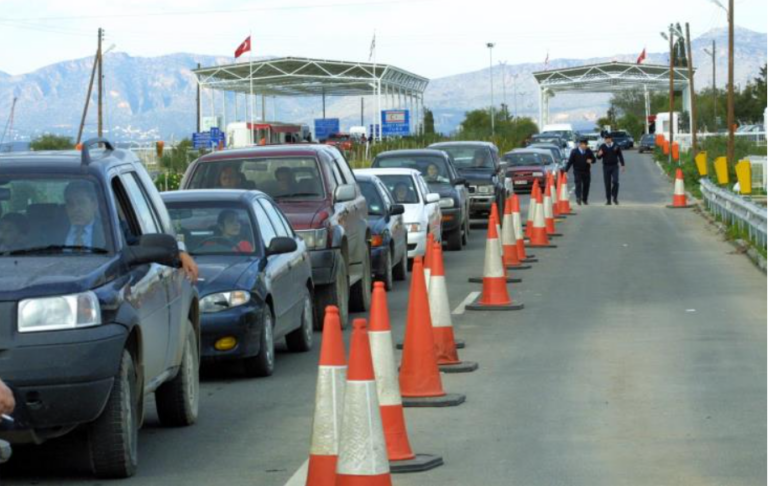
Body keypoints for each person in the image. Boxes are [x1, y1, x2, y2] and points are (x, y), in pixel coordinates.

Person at [61, 181, 199, 282]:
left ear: (94, 205)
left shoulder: (115, 231)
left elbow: (141, 245)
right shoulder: (47, 232)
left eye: (81, 203)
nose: (76, 209)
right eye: (70, 204)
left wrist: (179, 254)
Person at [596, 133, 626, 205]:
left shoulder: (616, 146)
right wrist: (598, 154)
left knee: (615, 181)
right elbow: (598, 157)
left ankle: (615, 197)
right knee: (607, 184)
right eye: (605, 139)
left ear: (611, 139)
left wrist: (623, 165)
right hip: (606, 167)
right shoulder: (602, 146)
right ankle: (608, 200)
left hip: (614, 166)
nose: (607, 140)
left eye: (608, 138)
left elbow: (620, 155)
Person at [564, 139, 596, 205]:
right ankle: (578, 197)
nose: (585, 146)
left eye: (586, 145)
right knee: (578, 184)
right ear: (580, 144)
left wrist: (591, 160)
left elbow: (594, 159)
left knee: (586, 185)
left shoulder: (588, 151)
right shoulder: (574, 152)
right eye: (584, 145)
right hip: (577, 171)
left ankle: (585, 199)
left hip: (586, 171)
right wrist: (566, 170)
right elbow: (570, 162)